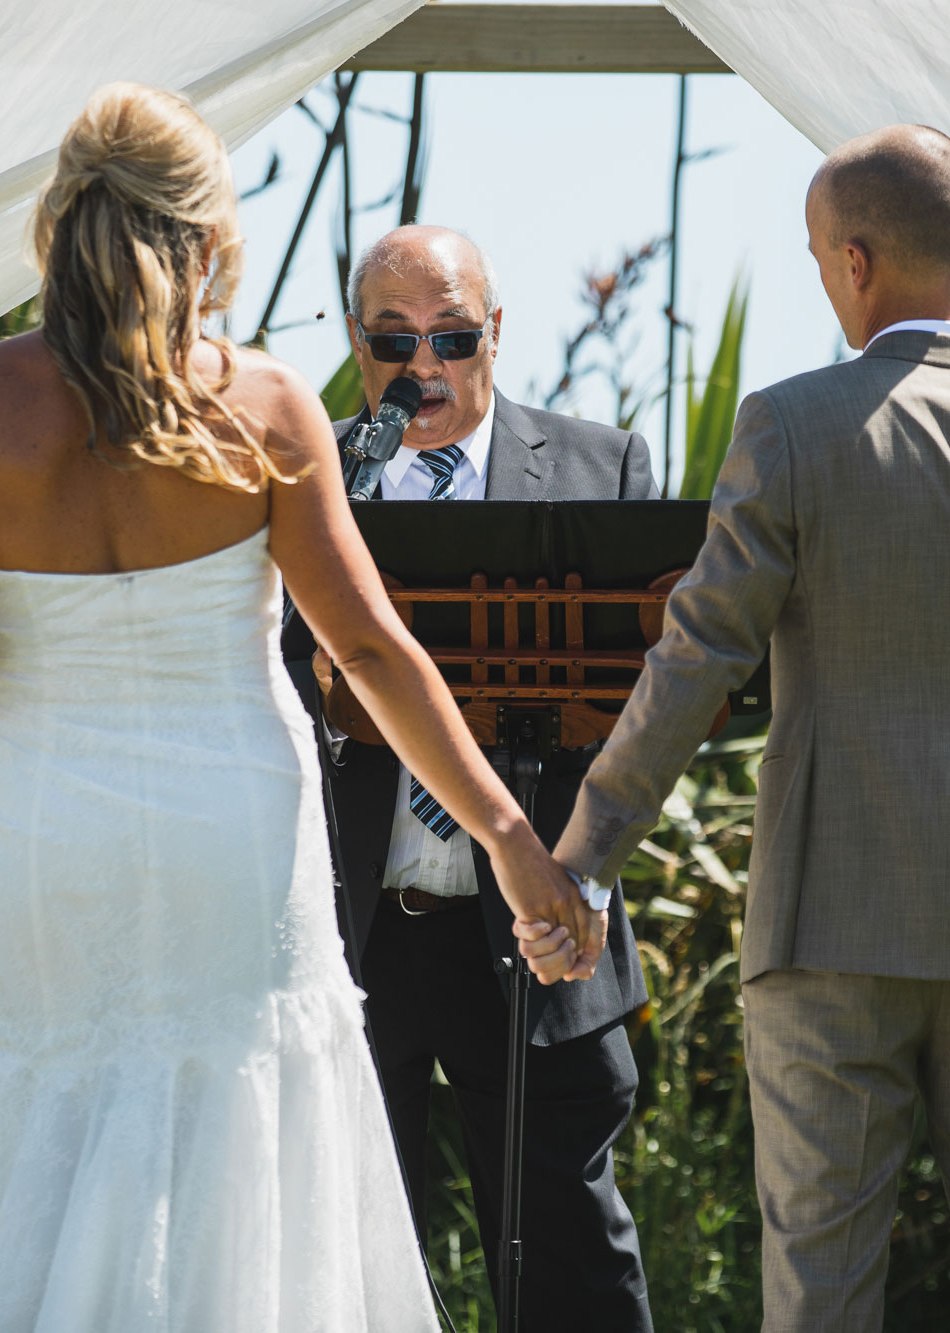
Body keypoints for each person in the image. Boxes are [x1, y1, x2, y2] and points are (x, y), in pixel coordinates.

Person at [0, 84, 592, 1331]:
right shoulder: (263, 403)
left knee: (59, 1100)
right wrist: (514, 845)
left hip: (56, 837)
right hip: (234, 835)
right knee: (245, 1121)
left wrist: (17, 634)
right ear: (209, 242)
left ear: (57, 228)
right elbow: (368, 649)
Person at [548, 125, 950, 1331]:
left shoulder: (794, 429)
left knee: (819, 1287)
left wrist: (583, 856)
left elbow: (696, 655)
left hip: (832, 921)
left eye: (821, 258)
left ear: (857, 262)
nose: (825, 279)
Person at [279, 225, 655, 1332]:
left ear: (493, 331)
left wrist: (579, 883)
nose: (424, 366)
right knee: (340, 1270)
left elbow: (644, 715)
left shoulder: (604, 467)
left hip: (540, 940)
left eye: (451, 335)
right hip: (355, 937)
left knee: (571, 1268)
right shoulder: (305, 477)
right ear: (357, 345)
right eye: (394, 341)